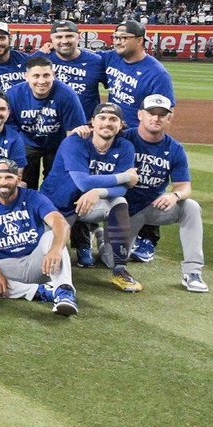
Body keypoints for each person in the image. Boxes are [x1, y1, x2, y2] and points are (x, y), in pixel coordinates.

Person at [40, 102, 143, 293]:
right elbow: (84, 182)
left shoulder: (125, 147)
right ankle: (91, 239)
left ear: (121, 125)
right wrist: (126, 176)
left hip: (89, 205)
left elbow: (122, 190)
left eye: (113, 119)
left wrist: (99, 192)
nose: (107, 123)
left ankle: (120, 268)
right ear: (92, 122)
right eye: (102, 118)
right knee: (45, 266)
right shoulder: (75, 142)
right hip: (57, 206)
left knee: (119, 202)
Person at [0, 159, 77, 315]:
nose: (3, 182)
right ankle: (41, 292)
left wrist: (56, 250)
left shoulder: (33, 197)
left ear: (18, 178)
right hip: (4, 266)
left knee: (52, 236)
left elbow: (61, 223)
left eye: (9, 177)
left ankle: (65, 293)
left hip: (37, 264)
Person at [124, 95, 207, 292]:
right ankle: (104, 239)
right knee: (111, 259)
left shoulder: (175, 149)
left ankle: (193, 272)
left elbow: (184, 186)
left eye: (162, 115)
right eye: (151, 113)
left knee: (191, 207)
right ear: (140, 115)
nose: (156, 118)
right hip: (124, 210)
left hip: (154, 208)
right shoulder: (124, 138)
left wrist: (174, 195)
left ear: (169, 118)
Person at [4, 55, 86, 184]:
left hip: (57, 143)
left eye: (46, 75)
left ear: (54, 75)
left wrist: (68, 160)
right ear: (26, 77)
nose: (41, 81)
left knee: (56, 182)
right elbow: (8, 127)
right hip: (26, 141)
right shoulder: (13, 94)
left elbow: (72, 132)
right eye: (36, 76)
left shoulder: (67, 95)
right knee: (26, 181)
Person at [103, 19, 176, 131]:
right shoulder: (111, 58)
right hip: (113, 130)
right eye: (115, 37)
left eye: (123, 38)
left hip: (136, 134)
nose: (117, 42)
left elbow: (167, 115)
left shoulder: (158, 74)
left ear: (139, 40)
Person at [44, 20, 105, 119]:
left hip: (84, 125)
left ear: (78, 38)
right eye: (59, 37)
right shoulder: (42, 59)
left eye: (69, 36)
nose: (64, 41)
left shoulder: (96, 61)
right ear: (52, 39)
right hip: (52, 124)